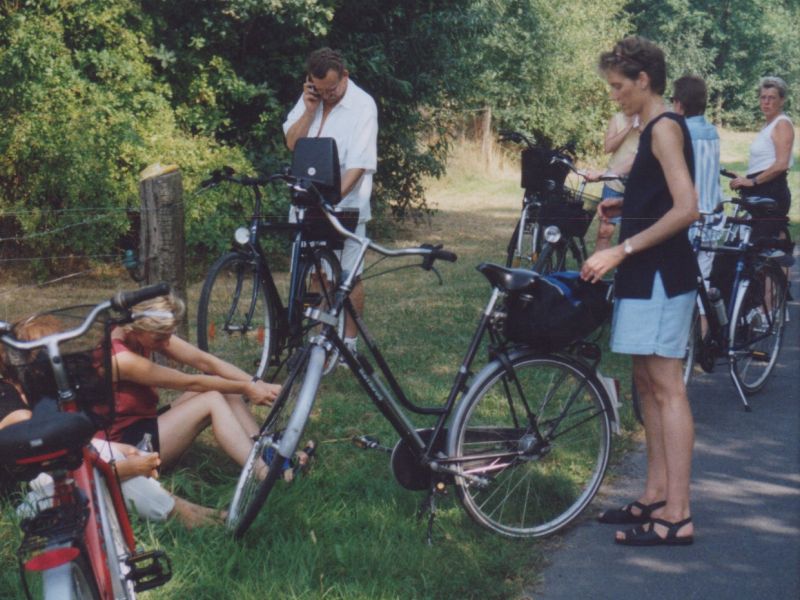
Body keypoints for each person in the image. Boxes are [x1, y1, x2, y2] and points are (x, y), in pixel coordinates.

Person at [581, 36, 700, 546]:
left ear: (644, 81)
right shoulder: (652, 126)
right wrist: (624, 207)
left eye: (618, 86)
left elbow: (686, 208)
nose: (615, 96)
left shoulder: (665, 129)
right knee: (646, 385)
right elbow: (658, 200)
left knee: (667, 387)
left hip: (661, 274)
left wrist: (619, 249)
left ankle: (678, 514)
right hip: (645, 272)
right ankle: (654, 494)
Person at [0, 316, 224, 528]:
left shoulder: (35, 390)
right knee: (114, 480)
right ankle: (188, 516)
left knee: (109, 460)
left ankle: (191, 513)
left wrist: (119, 451)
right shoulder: (6, 397)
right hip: (24, 503)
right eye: (50, 353)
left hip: (48, 487)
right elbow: (41, 462)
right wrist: (119, 469)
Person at [100, 294, 282, 472]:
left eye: (168, 336)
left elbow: (206, 362)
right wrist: (247, 388)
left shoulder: (142, 330)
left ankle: (269, 451)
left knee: (225, 388)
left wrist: (257, 384)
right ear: (135, 329)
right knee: (212, 399)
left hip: (145, 422)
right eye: (159, 339)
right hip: (126, 445)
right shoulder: (120, 359)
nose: (166, 344)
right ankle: (264, 473)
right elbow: (190, 382)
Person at [283, 47, 378, 358]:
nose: (327, 95)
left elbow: (360, 163)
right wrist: (310, 111)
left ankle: (348, 343)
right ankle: (317, 342)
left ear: (345, 77)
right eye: (320, 90)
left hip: (345, 205)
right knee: (317, 274)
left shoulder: (363, 106)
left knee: (349, 276)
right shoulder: (313, 98)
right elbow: (292, 143)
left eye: (332, 89)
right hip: (307, 203)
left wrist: (333, 199)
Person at [671, 75, 723, 334]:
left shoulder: (681, 134)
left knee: (678, 285)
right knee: (702, 280)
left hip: (688, 219)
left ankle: (681, 348)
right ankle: (704, 344)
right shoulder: (712, 131)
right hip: (712, 218)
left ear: (679, 104)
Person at [729, 76, 794, 239]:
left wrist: (752, 181)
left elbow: (781, 164)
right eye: (763, 97)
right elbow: (764, 162)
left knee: (753, 246)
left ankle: (782, 259)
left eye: (771, 98)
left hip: (771, 191)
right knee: (755, 246)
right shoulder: (768, 126)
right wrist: (744, 179)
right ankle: (780, 258)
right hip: (759, 190)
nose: (766, 102)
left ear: (782, 100)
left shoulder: (782, 124)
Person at [588, 111, 641, 252]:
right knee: (604, 233)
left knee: (632, 236)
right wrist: (629, 127)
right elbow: (608, 147)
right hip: (614, 183)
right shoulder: (617, 118)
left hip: (637, 186)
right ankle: (595, 273)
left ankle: (625, 272)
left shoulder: (651, 118)